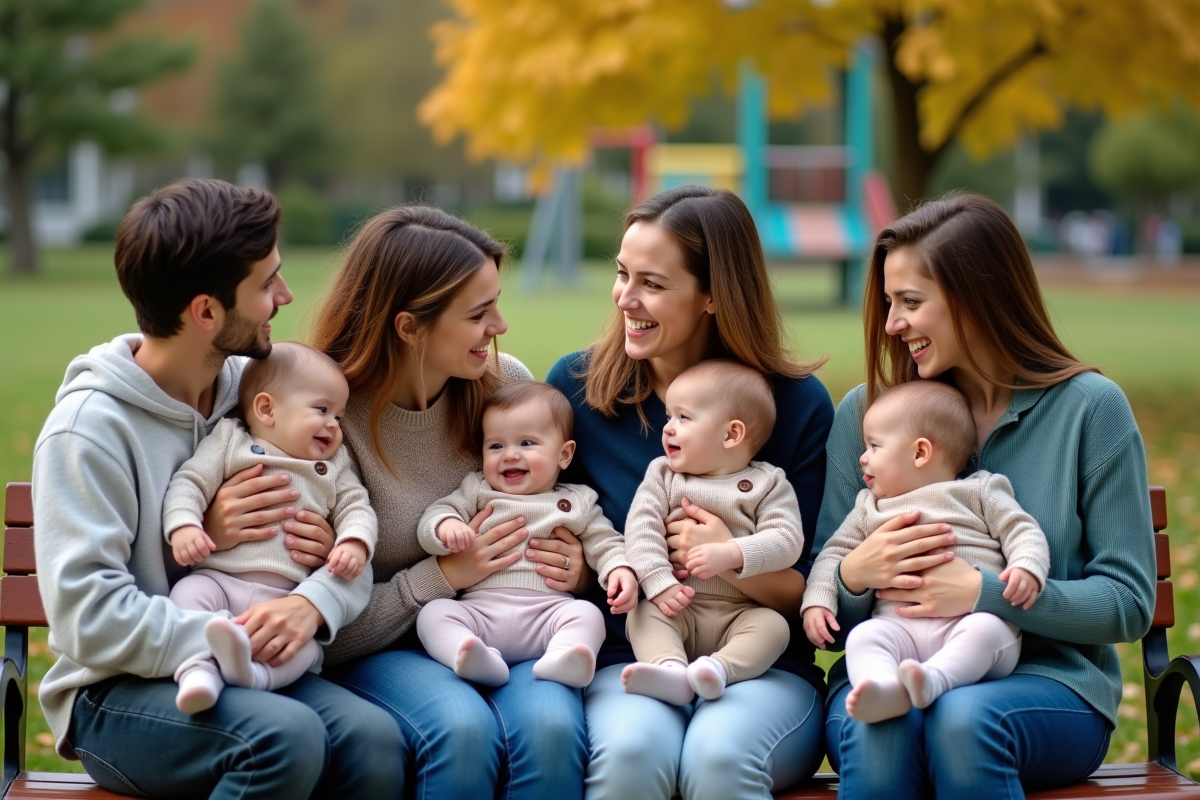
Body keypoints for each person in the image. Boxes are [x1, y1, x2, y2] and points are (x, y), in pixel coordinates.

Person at [31, 178, 403, 799]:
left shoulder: (265, 392)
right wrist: (221, 624)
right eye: (265, 285)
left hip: (255, 664)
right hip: (119, 691)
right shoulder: (90, 430)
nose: (285, 296)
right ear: (206, 311)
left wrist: (313, 602)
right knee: (282, 739)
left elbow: (349, 524)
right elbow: (86, 619)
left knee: (375, 741)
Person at [815, 192, 1157, 799]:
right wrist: (856, 576)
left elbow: (1128, 602)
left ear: (977, 301)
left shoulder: (1090, 412)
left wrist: (986, 595)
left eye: (911, 302)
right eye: (890, 302)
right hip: (890, 666)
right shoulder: (869, 416)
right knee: (881, 726)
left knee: (965, 719)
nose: (892, 323)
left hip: (1052, 686)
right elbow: (828, 607)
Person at [274, 205, 590, 799]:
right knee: (460, 729)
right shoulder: (322, 419)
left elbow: (568, 515)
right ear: (409, 327)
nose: (499, 325)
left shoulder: (503, 390)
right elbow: (316, 626)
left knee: (550, 729)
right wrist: (443, 576)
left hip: (511, 632)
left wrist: (577, 569)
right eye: (477, 313)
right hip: (382, 649)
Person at [547, 185, 833, 799]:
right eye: (622, 275)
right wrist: (578, 570)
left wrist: (727, 549)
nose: (626, 298)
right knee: (629, 756)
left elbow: (807, 593)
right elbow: (563, 545)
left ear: (711, 296)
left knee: (719, 759)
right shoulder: (576, 390)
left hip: (762, 665)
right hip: (632, 656)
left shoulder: (793, 407)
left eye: (651, 283)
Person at [802, 381, 1049, 723]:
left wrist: (1027, 566)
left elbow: (1020, 529)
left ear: (920, 452)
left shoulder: (978, 490)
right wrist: (818, 598)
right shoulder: (868, 507)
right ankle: (885, 690)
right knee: (864, 637)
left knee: (988, 632)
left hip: (969, 624)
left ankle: (935, 679)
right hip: (899, 629)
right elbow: (834, 554)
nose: (863, 457)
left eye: (874, 446)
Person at [164, 341, 377, 713]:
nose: (334, 425)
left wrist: (354, 543)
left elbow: (357, 507)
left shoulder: (336, 465)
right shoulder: (231, 441)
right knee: (188, 595)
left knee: (307, 643)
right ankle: (198, 670)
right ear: (266, 409)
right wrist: (184, 527)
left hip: (287, 599)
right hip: (220, 580)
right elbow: (190, 483)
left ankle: (254, 676)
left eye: (339, 417)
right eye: (322, 410)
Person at [415, 381, 637, 688]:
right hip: (480, 613)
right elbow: (436, 514)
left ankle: (562, 657)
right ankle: (470, 655)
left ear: (564, 454)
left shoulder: (576, 502)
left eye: (526, 443)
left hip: (547, 615)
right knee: (434, 613)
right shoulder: (478, 490)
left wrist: (619, 568)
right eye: (496, 446)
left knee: (587, 614)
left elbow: (605, 542)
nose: (509, 455)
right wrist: (446, 528)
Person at [623, 359, 803, 705]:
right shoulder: (663, 475)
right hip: (679, 605)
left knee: (773, 628)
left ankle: (719, 670)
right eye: (668, 417)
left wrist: (732, 552)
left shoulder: (767, 483)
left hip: (742, 612)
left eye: (683, 417)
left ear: (731, 434)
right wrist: (658, 581)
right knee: (644, 614)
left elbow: (787, 539)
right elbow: (640, 529)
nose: (669, 429)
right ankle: (670, 670)